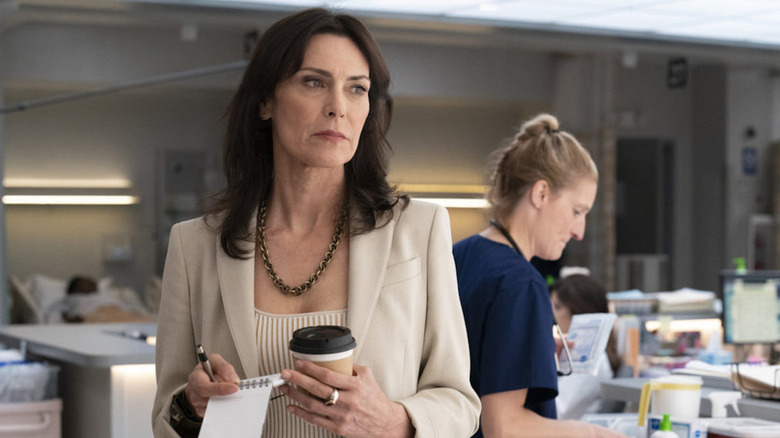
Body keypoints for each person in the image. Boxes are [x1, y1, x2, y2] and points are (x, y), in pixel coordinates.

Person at [152, 8, 480, 438]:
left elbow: (460, 403)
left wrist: (393, 422)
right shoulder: (194, 245)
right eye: (314, 82)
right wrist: (191, 407)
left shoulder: (420, 229)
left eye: (357, 89)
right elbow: (165, 418)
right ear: (265, 101)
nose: (338, 108)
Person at [453, 114, 625, 437]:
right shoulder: (522, 283)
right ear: (541, 194)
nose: (579, 232)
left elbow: (473, 361)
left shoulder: (458, 255)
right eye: (577, 211)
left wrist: (535, 351)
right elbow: (503, 427)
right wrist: (595, 434)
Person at [550, 273, 623, 420]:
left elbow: (556, 411)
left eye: (557, 307)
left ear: (579, 309)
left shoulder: (589, 358)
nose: (552, 314)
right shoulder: (576, 351)